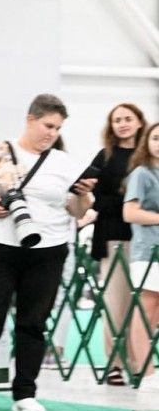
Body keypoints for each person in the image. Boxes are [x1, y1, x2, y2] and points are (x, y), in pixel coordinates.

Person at [0, 94, 95, 411]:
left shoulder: (64, 163)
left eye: (57, 128)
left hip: (48, 250)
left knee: (33, 324)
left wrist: (83, 195)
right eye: (47, 125)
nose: (52, 133)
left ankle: (26, 393)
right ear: (30, 119)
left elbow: (77, 210)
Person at [89, 104, 145, 386]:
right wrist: (127, 204)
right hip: (115, 237)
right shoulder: (105, 157)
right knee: (116, 303)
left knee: (145, 306)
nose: (122, 124)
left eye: (127, 119)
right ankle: (114, 363)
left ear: (139, 122)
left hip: (147, 238)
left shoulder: (149, 156)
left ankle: (140, 363)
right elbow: (95, 198)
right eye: (117, 120)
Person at [122, 122, 159, 389]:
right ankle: (145, 373)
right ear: (146, 142)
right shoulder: (142, 174)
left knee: (155, 314)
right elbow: (130, 213)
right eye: (155, 138)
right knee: (146, 309)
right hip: (147, 251)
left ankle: (141, 367)